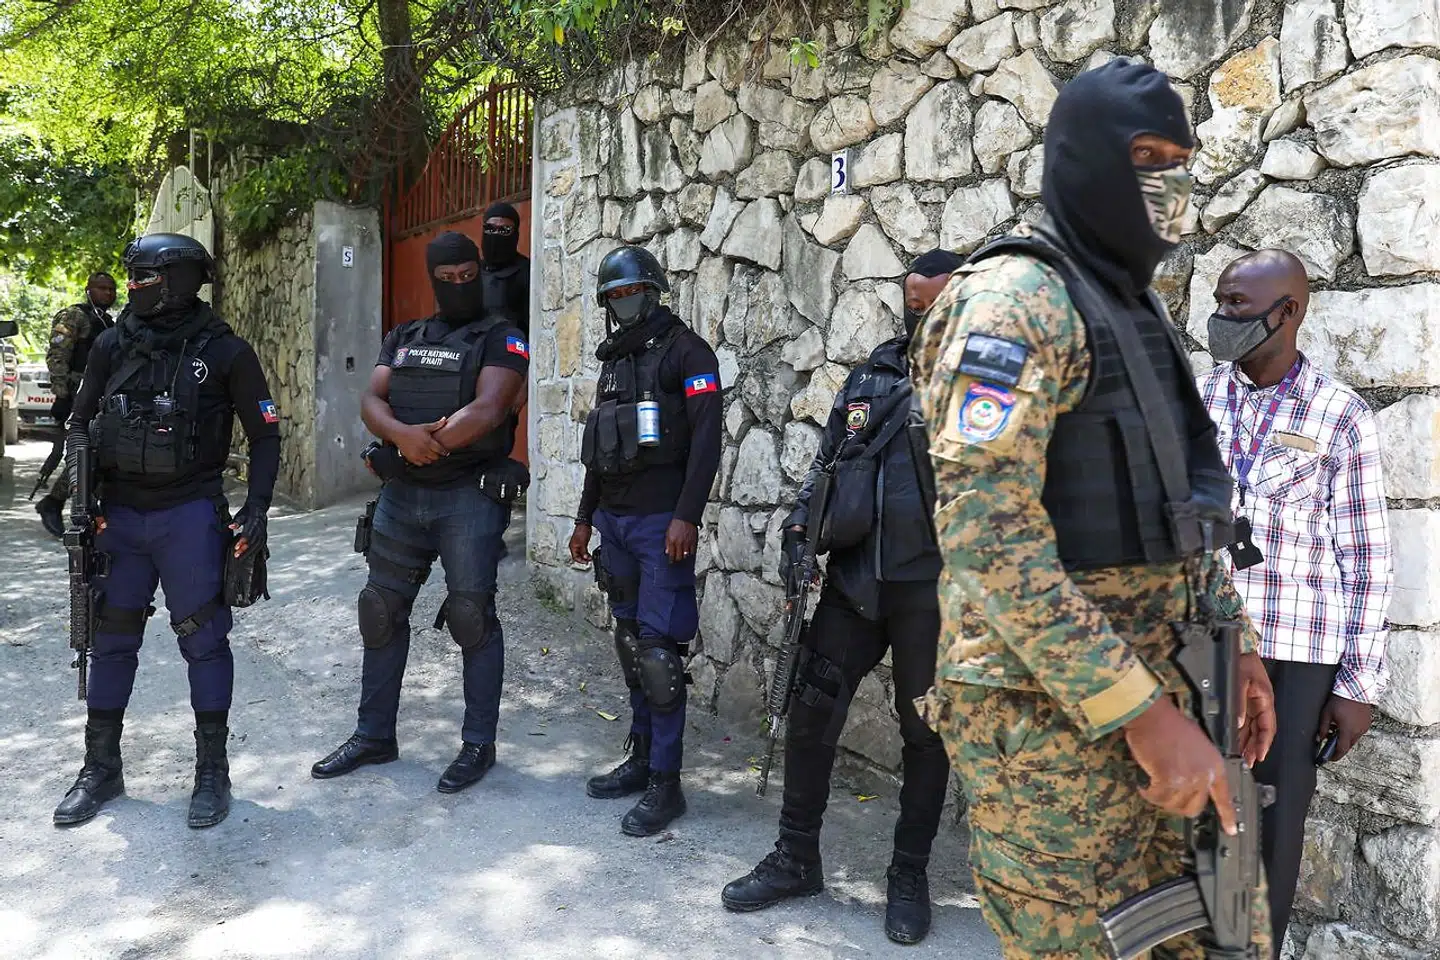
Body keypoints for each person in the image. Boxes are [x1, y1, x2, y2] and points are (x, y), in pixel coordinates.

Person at [907, 59, 1278, 957]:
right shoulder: (1010, 304)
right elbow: (989, 546)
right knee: (1089, 944)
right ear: (1079, 159)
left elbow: (1180, 509)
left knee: (1223, 926)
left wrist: (1237, 646)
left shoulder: (1130, 304)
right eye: (1143, 156)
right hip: (1051, 719)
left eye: (1178, 162)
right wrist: (1144, 716)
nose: (1164, 183)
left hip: (1178, 689)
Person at [720, 250, 963, 945]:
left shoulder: (986, 385)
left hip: (933, 594)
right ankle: (796, 857)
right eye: (916, 302)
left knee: (925, 734)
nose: (925, 314)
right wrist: (800, 531)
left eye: (939, 303)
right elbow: (827, 464)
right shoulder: (871, 377)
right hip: (854, 584)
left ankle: (908, 875)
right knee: (811, 713)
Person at [1198, 249, 1393, 955]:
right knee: (1194, 815)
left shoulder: (1341, 416)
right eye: (1219, 303)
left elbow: (1367, 556)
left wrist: (1357, 684)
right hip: (1204, 644)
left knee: (1271, 833)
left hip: (1295, 655)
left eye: (1238, 307)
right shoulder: (1199, 398)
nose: (1221, 319)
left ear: (1289, 312)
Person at [52, 234, 279, 829]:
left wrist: (255, 508)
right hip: (119, 520)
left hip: (188, 518)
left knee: (203, 639)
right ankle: (100, 767)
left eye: (145, 276)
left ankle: (212, 773)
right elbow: (77, 427)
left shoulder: (226, 351)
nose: (134, 287)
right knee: (112, 637)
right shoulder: (109, 344)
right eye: (131, 277)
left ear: (180, 278)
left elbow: (265, 435)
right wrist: (81, 503)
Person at [311, 230, 528, 794]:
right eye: (446, 279)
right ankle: (374, 735)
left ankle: (478, 743)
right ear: (434, 279)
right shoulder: (406, 336)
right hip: (403, 495)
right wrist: (404, 437)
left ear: (478, 271)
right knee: (379, 611)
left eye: (467, 276)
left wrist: (431, 444)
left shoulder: (503, 336)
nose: (458, 286)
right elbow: (370, 398)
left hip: (468, 497)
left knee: (470, 618)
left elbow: (491, 405)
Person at [568, 244, 722, 837]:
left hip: (662, 525)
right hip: (615, 523)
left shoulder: (688, 353)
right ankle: (639, 759)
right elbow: (599, 452)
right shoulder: (613, 362)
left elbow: (707, 440)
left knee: (660, 655)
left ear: (653, 290)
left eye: (630, 292)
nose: (623, 302)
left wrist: (687, 515)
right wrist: (584, 519)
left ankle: (666, 783)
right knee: (632, 645)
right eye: (613, 296)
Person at [35, 272, 118, 536]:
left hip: (97, 397)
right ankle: (53, 502)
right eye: (102, 288)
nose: (108, 293)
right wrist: (62, 395)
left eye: (111, 289)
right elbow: (57, 356)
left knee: (98, 453)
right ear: (89, 290)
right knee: (82, 453)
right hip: (75, 396)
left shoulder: (106, 322)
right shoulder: (74, 316)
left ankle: (68, 504)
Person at [478, 202, 530, 336]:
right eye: (490, 228)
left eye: (504, 230)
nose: (496, 235)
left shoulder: (527, 272)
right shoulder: (473, 270)